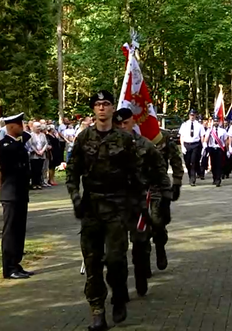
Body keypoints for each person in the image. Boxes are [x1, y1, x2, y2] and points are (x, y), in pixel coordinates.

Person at [66, 91, 143, 331]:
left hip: (117, 208)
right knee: (92, 262)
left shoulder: (124, 139)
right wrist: (76, 197)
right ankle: (97, 312)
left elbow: (137, 175)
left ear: (112, 109)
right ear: (93, 109)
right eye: (98, 105)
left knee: (115, 259)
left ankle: (119, 294)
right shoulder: (83, 138)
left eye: (106, 104)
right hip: (91, 208)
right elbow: (72, 172)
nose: (102, 108)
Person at [113, 108, 181, 297]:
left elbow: (163, 167)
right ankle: (130, 281)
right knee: (122, 243)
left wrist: (172, 187)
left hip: (151, 192)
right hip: (122, 198)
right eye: (118, 124)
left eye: (125, 123)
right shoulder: (110, 144)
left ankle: (158, 248)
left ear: (134, 121)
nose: (121, 127)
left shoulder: (148, 142)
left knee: (156, 225)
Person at [0, 112, 33, 280]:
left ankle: (16, 263)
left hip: (20, 193)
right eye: (19, 125)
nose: (23, 127)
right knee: (10, 232)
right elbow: (12, 156)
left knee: (19, 231)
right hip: (10, 194)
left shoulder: (16, 142)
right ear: (11, 126)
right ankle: (9, 267)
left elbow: (26, 136)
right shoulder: (4, 146)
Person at [179, 109, 203, 186]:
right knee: (187, 162)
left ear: (196, 115)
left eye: (193, 115)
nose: (192, 116)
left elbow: (202, 136)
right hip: (187, 144)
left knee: (193, 162)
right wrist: (182, 146)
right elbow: (181, 136)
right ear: (189, 115)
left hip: (195, 145)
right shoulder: (184, 124)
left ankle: (193, 179)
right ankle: (190, 175)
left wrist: (203, 146)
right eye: (191, 115)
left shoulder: (199, 125)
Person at [203, 116, 227, 187]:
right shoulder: (209, 131)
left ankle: (218, 179)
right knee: (213, 164)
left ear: (219, 122)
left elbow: (225, 140)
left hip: (220, 148)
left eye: (217, 121)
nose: (216, 122)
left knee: (219, 164)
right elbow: (206, 139)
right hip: (212, 148)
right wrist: (205, 144)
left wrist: (228, 149)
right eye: (215, 121)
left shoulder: (223, 131)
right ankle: (214, 177)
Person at [28, 122, 47, 190]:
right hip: (34, 155)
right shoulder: (31, 135)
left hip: (42, 154)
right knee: (34, 170)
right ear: (33, 127)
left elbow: (45, 143)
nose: (39, 128)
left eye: (39, 126)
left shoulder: (43, 135)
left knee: (40, 169)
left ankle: (39, 183)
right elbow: (31, 144)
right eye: (37, 127)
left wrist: (42, 151)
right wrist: (36, 151)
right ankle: (34, 184)